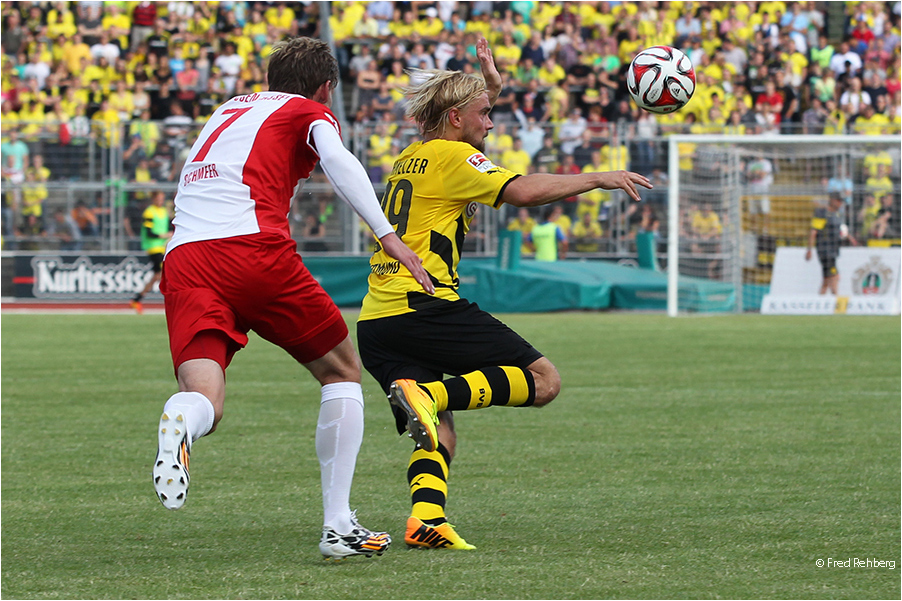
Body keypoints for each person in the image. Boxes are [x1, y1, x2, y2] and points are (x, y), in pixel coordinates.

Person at [356, 36, 651, 550]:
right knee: (543, 381)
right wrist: (597, 177)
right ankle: (428, 396)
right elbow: (521, 192)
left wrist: (488, 87)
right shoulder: (451, 157)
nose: (491, 123)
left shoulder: (413, 157)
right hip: (424, 304)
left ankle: (425, 520)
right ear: (454, 119)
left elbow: (467, 149)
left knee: (438, 431)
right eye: (485, 114)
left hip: (377, 320)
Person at [151, 37, 433, 561]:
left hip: (185, 256)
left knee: (205, 398)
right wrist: (387, 235)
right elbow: (339, 161)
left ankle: (179, 420)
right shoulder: (308, 110)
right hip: (251, 248)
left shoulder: (227, 108)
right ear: (325, 86)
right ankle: (338, 526)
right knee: (342, 372)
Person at [131, 190, 172, 314]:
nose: (161, 201)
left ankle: (137, 298)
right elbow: (149, 232)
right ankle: (138, 299)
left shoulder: (164, 211)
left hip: (164, 246)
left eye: (162, 198)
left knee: (158, 275)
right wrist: (164, 235)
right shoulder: (149, 212)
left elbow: (170, 226)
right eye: (159, 198)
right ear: (154, 199)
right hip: (153, 247)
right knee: (162, 274)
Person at [806, 192, 847, 295]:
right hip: (825, 251)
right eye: (839, 201)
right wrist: (809, 250)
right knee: (834, 277)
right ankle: (836, 302)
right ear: (832, 200)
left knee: (826, 279)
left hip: (834, 250)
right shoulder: (822, 213)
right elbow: (813, 232)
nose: (840, 204)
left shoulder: (837, 214)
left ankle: (820, 302)